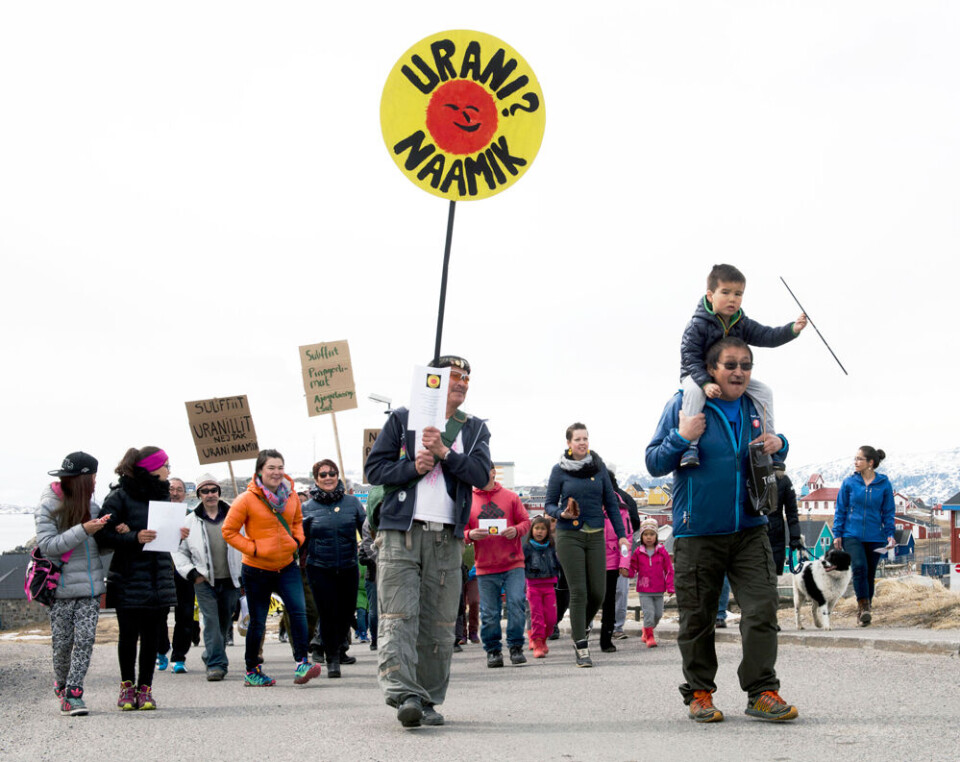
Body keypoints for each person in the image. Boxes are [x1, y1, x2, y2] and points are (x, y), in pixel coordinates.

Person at [646, 337, 799, 722]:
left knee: (762, 609)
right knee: (697, 617)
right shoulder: (684, 404)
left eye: (746, 365)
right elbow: (653, 461)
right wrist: (683, 437)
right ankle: (700, 693)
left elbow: (774, 449)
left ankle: (762, 691)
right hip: (696, 531)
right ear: (711, 369)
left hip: (750, 527)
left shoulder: (755, 405)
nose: (739, 372)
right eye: (730, 365)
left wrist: (780, 443)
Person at [365, 354, 491, 728]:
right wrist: (411, 467)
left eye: (467, 377)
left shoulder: (475, 429)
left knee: (438, 622)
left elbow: (482, 475)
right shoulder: (403, 419)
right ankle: (405, 694)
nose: (462, 383)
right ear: (433, 380)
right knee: (399, 615)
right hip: (400, 533)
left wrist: (444, 454)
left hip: (446, 537)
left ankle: (429, 697)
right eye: (454, 376)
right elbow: (375, 469)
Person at [678, 263, 806, 467]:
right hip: (696, 374)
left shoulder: (741, 322)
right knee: (693, 392)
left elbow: (767, 335)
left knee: (764, 391)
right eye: (726, 292)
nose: (732, 298)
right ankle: (690, 448)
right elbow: (689, 357)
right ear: (710, 295)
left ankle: (769, 444)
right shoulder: (697, 324)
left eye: (738, 294)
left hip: (729, 376)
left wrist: (793, 329)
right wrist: (704, 383)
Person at [95, 446, 188, 711]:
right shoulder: (120, 497)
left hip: (159, 576)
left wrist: (177, 534)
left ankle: (145, 689)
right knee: (128, 636)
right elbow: (102, 535)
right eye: (165, 465)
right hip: (127, 577)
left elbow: (164, 538)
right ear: (151, 467)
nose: (169, 470)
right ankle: (126, 687)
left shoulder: (165, 498)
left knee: (152, 636)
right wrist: (133, 536)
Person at [221, 449, 322, 687]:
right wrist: (253, 549)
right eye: (271, 468)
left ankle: (301, 663)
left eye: (280, 468)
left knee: (298, 612)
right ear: (260, 471)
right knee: (258, 621)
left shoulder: (291, 496)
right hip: (256, 568)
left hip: (287, 565)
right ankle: (252, 670)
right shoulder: (247, 499)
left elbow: (297, 521)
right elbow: (228, 531)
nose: (276, 473)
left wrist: (296, 541)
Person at [544, 423, 628, 668]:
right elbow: (548, 505)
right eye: (577, 439)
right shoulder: (559, 470)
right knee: (579, 591)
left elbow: (611, 504)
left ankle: (579, 627)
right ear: (569, 443)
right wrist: (561, 514)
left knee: (598, 592)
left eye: (585, 439)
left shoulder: (598, 468)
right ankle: (581, 645)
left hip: (596, 534)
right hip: (569, 535)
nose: (582, 442)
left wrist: (621, 534)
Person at [35, 451, 109, 716]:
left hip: (90, 588)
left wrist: (114, 535)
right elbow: (48, 547)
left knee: (86, 640)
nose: (95, 482)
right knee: (63, 644)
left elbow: (96, 548)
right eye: (92, 477)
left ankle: (74, 694)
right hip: (61, 587)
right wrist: (84, 530)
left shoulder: (94, 506)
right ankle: (62, 683)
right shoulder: (48, 506)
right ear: (81, 478)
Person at [172, 474, 242, 681]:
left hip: (231, 579)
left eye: (213, 490)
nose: (210, 494)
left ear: (219, 493)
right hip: (204, 580)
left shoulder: (236, 516)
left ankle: (209, 653)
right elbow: (178, 550)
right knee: (210, 621)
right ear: (199, 494)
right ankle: (216, 665)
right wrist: (192, 574)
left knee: (223, 623)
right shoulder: (189, 521)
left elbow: (246, 542)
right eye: (205, 491)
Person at [301, 458, 366, 678]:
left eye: (332, 473)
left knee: (347, 613)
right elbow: (300, 540)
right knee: (328, 614)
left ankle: (339, 648)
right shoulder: (307, 508)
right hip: (319, 568)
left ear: (338, 476)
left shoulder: (353, 503)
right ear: (316, 479)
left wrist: (369, 553)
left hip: (348, 565)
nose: (328, 478)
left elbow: (366, 532)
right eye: (323, 474)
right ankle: (332, 659)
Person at [466, 466, 531, 668]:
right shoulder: (468, 500)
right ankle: (493, 650)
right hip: (485, 566)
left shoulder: (511, 497)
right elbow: (461, 529)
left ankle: (516, 647)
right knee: (489, 612)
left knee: (516, 604)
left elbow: (526, 522)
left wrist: (516, 530)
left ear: (493, 472)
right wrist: (470, 535)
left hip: (513, 563)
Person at [832, 446, 895, 627]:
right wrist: (838, 533)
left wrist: (890, 534)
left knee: (869, 573)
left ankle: (865, 611)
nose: (855, 462)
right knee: (859, 566)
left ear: (870, 463)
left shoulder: (884, 484)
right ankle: (863, 606)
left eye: (859, 459)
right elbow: (840, 509)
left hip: (876, 536)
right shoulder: (849, 483)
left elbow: (888, 511)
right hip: (852, 534)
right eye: (855, 458)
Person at [157, 475, 197, 674]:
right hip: (160, 571)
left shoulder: (191, 516)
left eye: (179, 489)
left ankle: (179, 656)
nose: (175, 492)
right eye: (171, 488)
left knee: (186, 614)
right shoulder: (155, 513)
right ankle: (162, 649)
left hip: (183, 571)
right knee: (158, 614)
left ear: (185, 494)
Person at [624, 519, 675, 647]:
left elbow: (669, 570)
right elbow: (633, 568)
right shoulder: (638, 552)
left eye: (651, 534)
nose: (648, 537)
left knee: (658, 614)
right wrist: (626, 572)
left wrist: (670, 587)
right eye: (645, 534)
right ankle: (650, 637)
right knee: (649, 614)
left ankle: (646, 630)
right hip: (644, 589)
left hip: (659, 588)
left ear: (656, 536)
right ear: (641, 536)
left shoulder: (662, 551)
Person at [523, 515, 560, 659]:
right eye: (536, 528)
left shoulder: (551, 547)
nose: (539, 531)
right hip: (533, 587)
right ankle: (537, 643)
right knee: (537, 617)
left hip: (549, 586)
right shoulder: (527, 548)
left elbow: (558, 564)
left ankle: (543, 639)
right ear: (532, 530)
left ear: (547, 531)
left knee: (551, 618)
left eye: (542, 529)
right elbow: (520, 564)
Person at [599, 492, 631, 652]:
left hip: (612, 562)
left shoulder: (621, 509)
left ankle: (606, 639)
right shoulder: (588, 503)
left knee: (609, 601)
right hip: (592, 559)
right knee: (590, 598)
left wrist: (624, 563)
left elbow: (627, 537)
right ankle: (582, 634)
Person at [768, 463, 803, 575]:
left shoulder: (753, 475)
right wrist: (795, 537)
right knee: (773, 573)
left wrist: (795, 537)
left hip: (755, 529)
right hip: (776, 531)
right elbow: (792, 512)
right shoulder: (784, 480)